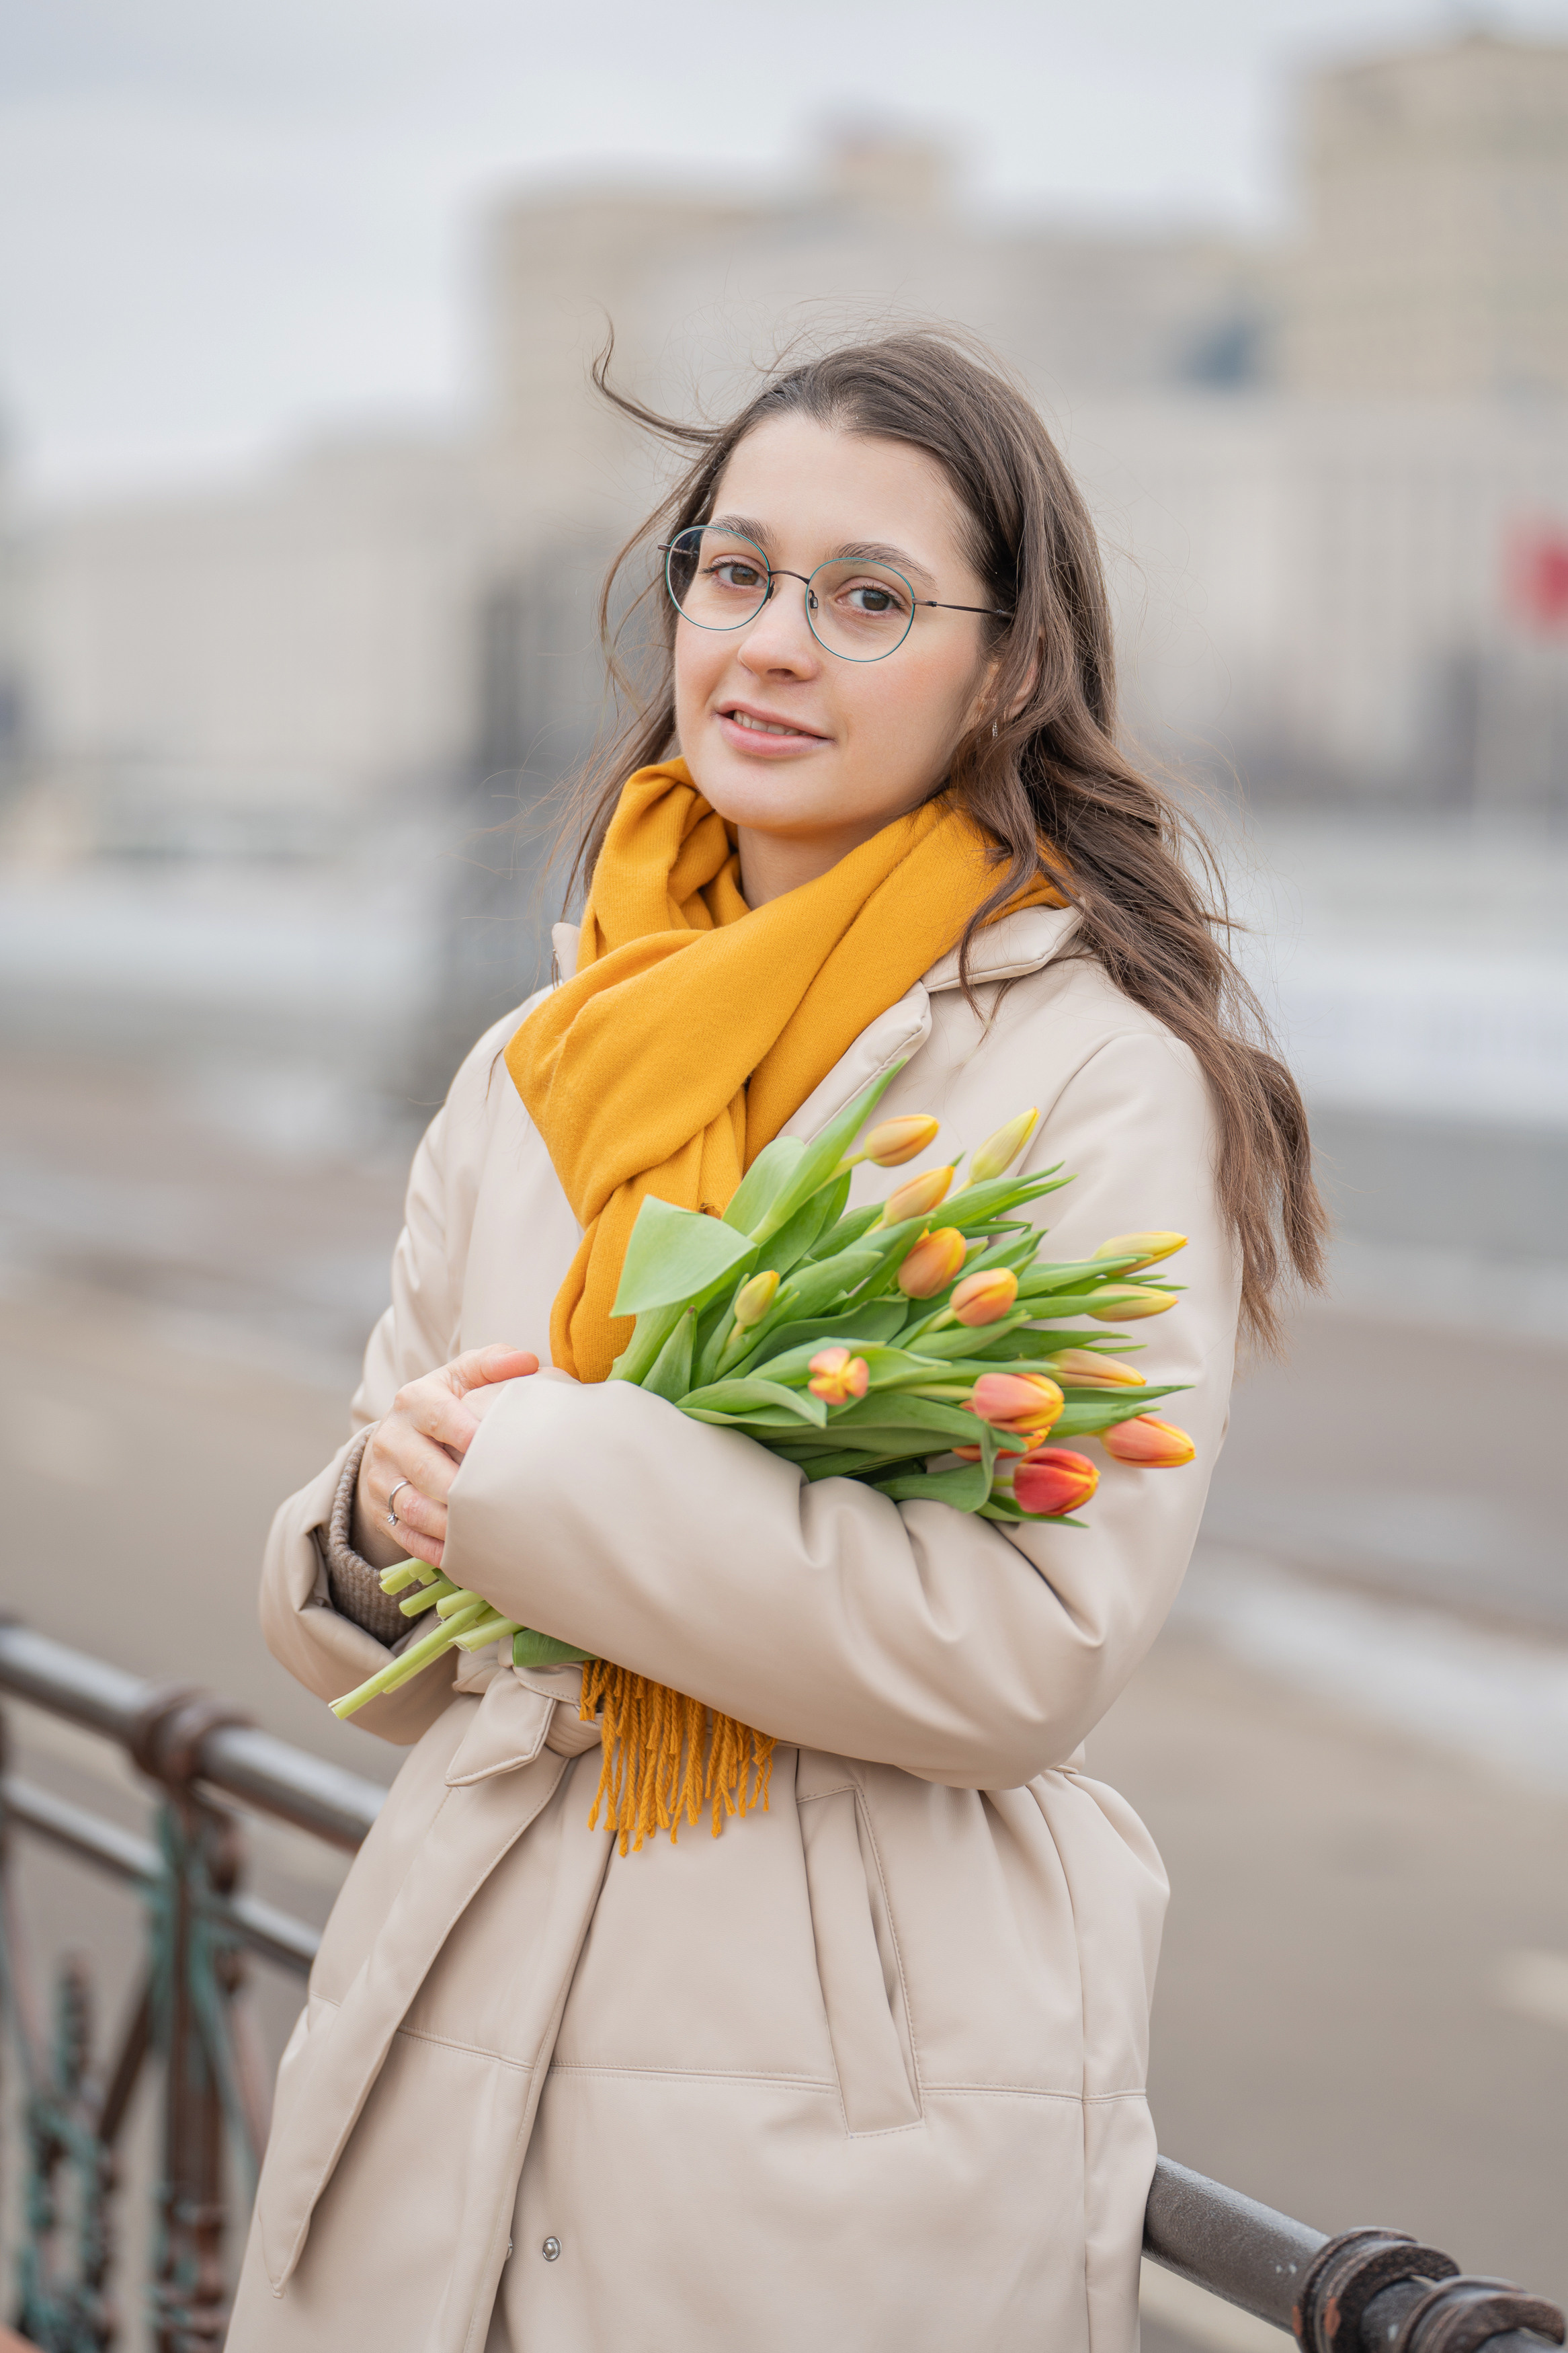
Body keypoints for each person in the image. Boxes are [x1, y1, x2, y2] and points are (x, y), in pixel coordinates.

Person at [229, 329, 1323, 2353]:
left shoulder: (1090, 1076)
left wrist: (538, 1484)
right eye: (733, 573)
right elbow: (410, 1502)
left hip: (830, 2080)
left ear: (1007, 664)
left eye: (868, 596)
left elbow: (1031, 1649)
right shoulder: (542, 1051)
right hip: (456, 2006)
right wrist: (382, 1524)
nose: (770, 643)